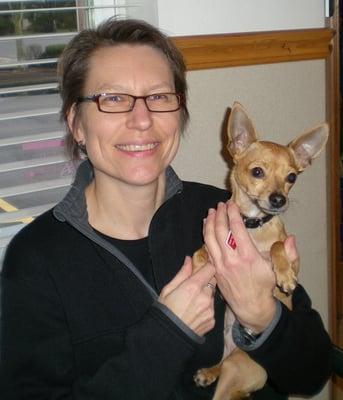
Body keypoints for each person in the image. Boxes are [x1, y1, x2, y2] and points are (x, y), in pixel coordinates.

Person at [0, 17, 332, 400]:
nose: (142, 120)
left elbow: (313, 373)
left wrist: (261, 315)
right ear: (76, 123)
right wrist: (167, 332)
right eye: (113, 98)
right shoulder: (35, 259)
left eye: (159, 98)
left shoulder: (226, 215)